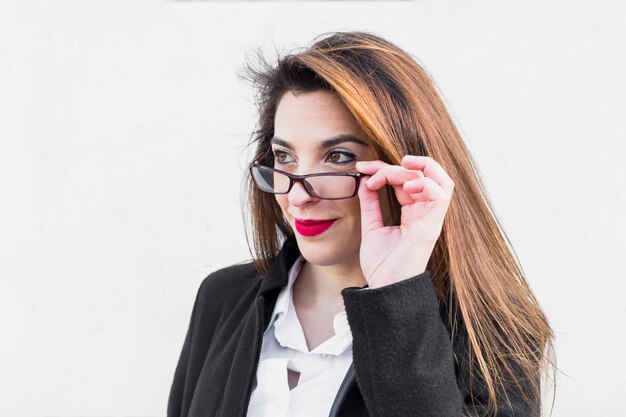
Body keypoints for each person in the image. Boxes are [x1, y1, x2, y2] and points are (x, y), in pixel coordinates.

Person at [167, 31, 556, 417]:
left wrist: (395, 294)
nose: (299, 195)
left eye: (337, 157)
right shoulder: (224, 297)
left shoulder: (490, 334)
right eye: (284, 157)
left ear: (401, 165)